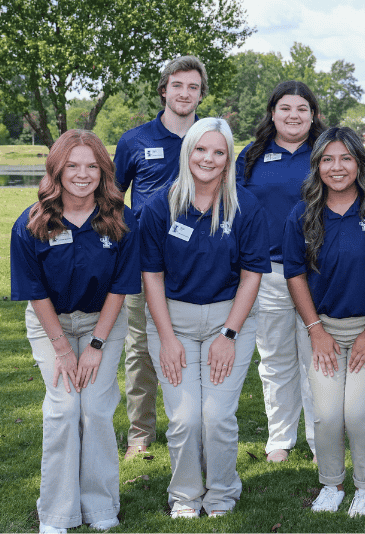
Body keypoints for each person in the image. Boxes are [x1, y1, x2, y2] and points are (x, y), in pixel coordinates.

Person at [139, 118, 270, 518]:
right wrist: (167, 339)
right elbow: (151, 276)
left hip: (228, 320)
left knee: (216, 416)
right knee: (184, 419)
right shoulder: (161, 205)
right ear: (187, 152)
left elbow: (252, 275)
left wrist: (228, 335)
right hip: (172, 321)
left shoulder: (245, 206)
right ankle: (184, 496)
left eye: (218, 151)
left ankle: (221, 494)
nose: (208, 159)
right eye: (200, 149)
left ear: (228, 159)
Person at [10, 130, 140, 533]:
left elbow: (121, 286)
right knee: (65, 409)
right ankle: (56, 513)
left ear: (103, 172)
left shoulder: (121, 219)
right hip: (51, 324)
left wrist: (96, 345)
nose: (82, 174)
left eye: (91, 166)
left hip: (104, 322)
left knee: (96, 409)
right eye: (72, 166)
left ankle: (100, 506)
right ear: (57, 170)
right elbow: (34, 292)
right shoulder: (31, 222)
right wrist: (64, 350)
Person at [283, 127, 365, 517]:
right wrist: (315, 331)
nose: (337, 167)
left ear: (359, 164)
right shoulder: (302, 214)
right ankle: (331, 484)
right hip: (321, 329)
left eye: (346, 158)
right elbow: (294, 274)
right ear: (317, 166)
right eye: (328, 159)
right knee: (328, 414)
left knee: (358, 412)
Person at [115, 55, 208, 460]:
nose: (184, 93)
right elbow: (111, 199)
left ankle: (195, 426)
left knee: (195, 345)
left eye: (193, 87)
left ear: (201, 95)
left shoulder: (208, 139)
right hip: (144, 263)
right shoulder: (134, 141)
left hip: (200, 264)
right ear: (164, 90)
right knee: (140, 348)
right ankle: (140, 432)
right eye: (177, 85)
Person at [234, 81, 327, 463]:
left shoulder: (326, 152)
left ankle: (322, 441)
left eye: (302, 108)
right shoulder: (251, 156)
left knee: (317, 358)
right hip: (268, 272)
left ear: (313, 115)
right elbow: (234, 208)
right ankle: (280, 439)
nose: (293, 115)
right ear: (272, 114)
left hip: (317, 272)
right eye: (285, 108)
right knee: (275, 359)